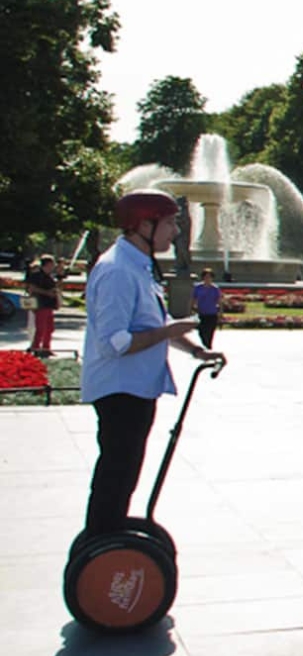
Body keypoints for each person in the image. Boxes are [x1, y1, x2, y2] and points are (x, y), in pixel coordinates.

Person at [79, 192, 225, 538]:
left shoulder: (138, 265)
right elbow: (117, 343)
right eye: (171, 222)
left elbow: (149, 326)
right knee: (116, 473)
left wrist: (195, 350)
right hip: (120, 389)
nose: (175, 231)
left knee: (125, 473)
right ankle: (101, 544)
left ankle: (110, 536)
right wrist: (171, 330)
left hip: (136, 388)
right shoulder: (116, 270)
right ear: (144, 224)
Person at [25, 254, 61, 356]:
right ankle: (35, 347)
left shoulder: (50, 276)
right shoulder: (37, 275)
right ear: (47, 264)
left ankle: (46, 347)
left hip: (49, 304)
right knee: (40, 328)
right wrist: (47, 292)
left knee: (49, 328)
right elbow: (31, 289)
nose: (53, 266)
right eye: (52, 264)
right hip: (41, 304)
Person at [192, 269, 223, 350]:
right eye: (206, 277)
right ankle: (205, 343)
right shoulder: (198, 288)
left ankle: (208, 346)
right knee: (201, 331)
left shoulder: (215, 288)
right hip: (201, 313)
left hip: (212, 313)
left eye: (209, 277)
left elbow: (219, 301)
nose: (208, 279)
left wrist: (220, 312)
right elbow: (194, 299)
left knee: (210, 331)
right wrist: (193, 308)